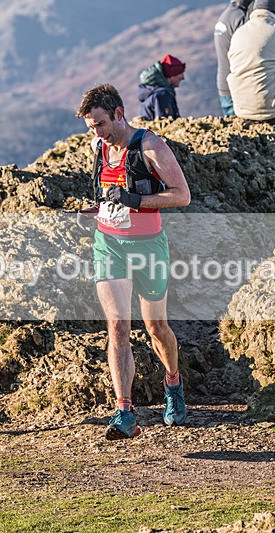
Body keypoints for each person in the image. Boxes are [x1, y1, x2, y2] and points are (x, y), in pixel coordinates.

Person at [76, 84, 191, 440]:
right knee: (117, 328)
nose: (94, 133)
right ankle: (124, 411)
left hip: (148, 248)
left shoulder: (150, 146)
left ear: (119, 114)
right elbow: (106, 196)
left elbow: (182, 196)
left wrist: (135, 200)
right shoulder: (98, 148)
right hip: (108, 245)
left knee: (156, 327)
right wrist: (94, 211)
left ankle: (173, 385)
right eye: (90, 127)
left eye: (99, 125)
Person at [214, 0, 275, 116]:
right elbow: (256, 51)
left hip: (228, 87)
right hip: (242, 92)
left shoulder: (227, 16)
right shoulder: (241, 19)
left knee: (238, 130)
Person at [138, 54, 185, 120]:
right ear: (172, 75)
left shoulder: (151, 92)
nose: (183, 77)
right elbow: (164, 124)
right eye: (180, 73)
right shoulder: (163, 95)